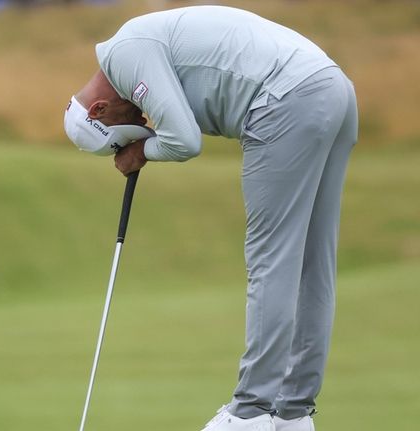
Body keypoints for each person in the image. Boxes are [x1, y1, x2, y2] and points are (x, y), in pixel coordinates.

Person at [63, 6, 358, 431]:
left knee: (271, 260)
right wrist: (145, 144)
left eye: (120, 134)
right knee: (314, 263)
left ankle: (251, 411)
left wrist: (140, 151)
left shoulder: (124, 54)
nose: (139, 123)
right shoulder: (134, 45)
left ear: (99, 110)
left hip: (284, 101)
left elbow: (184, 139)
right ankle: (294, 412)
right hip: (332, 89)